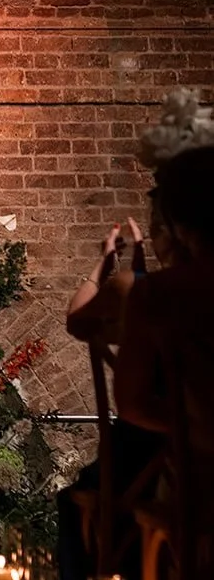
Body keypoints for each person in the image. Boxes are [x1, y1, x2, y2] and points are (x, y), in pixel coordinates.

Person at [56, 207, 172, 580]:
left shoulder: (139, 293)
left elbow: (78, 320)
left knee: (76, 500)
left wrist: (106, 267)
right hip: (197, 457)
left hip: (152, 457)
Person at [116, 145, 214, 473]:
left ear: (176, 225)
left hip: (201, 485)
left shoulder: (159, 292)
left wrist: (193, 426)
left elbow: (132, 405)